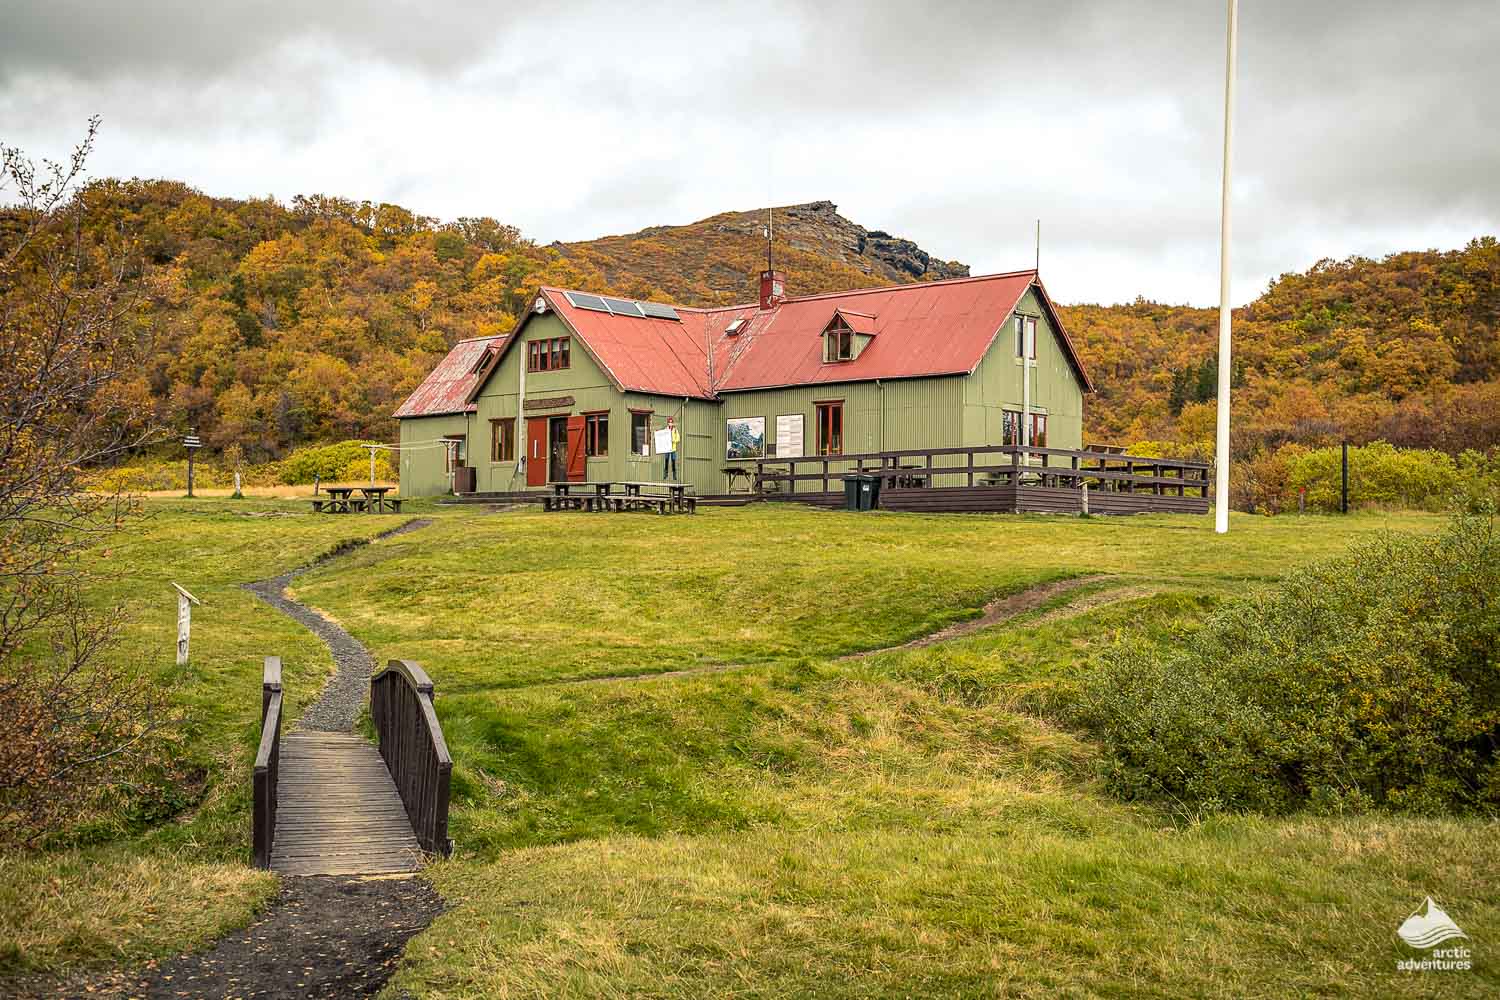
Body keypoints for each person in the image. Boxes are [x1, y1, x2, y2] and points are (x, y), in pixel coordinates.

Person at [662, 416, 680, 480]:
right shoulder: (666, 429)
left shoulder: (675, 430)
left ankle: (674, 476)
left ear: (673, 423)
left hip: (673, 449)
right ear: (668, 423)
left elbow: (678, 439)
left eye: (671, 422)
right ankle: (665, 475)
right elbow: (663, 437)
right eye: (669, 422)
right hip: (667, 448)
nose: (670, 423)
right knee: (666, 461)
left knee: (673, 462)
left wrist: (673, 440)